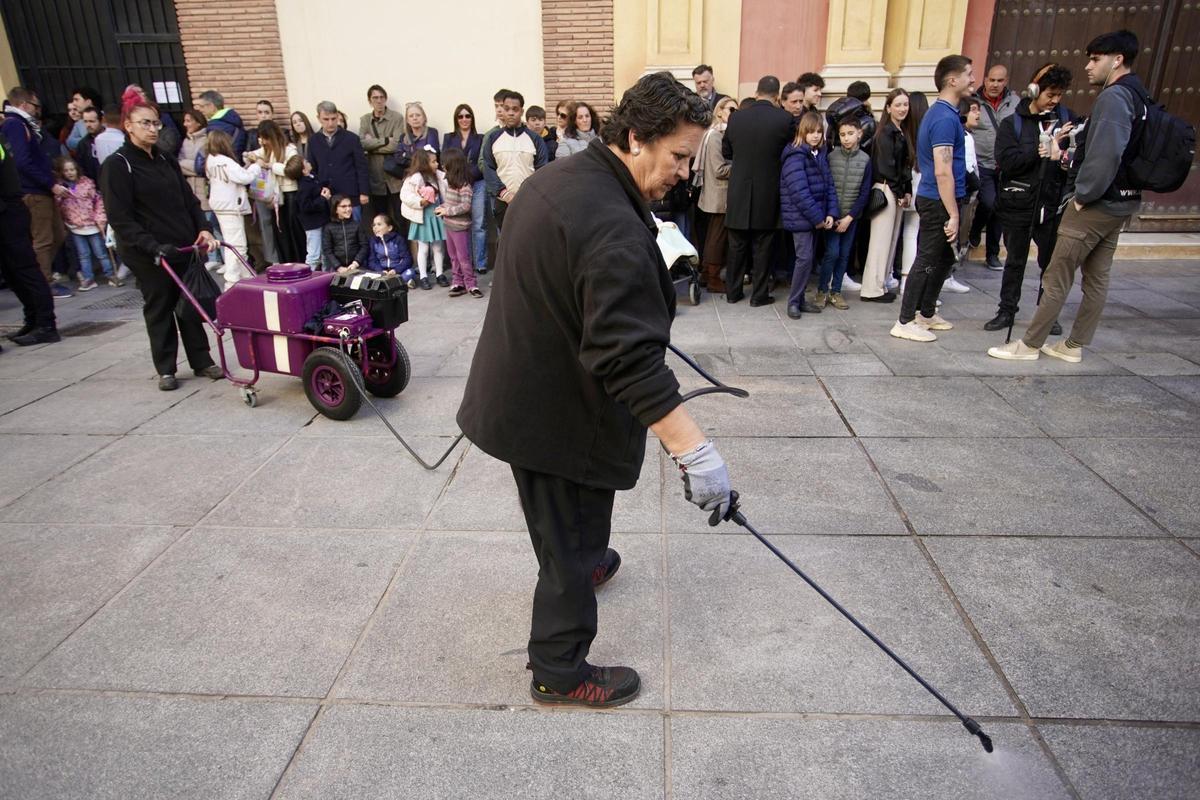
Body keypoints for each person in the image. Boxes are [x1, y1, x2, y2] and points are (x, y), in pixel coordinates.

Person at [457, 71, 728, 709]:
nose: (685, 172)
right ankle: (558, 667)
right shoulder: (609, 223)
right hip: (555, 412)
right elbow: (628, 361)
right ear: (635, 138)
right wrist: (696, 452)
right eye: (679, 157)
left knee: (568, 525)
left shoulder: (563, 177)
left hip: (527, 383)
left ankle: (587, 559)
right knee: (569, 530)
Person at [988, 31, 1145, 363]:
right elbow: (1011, 161)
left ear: (1117, 59)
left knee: (1056, 271)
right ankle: (1071, 345)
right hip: (1047, 202)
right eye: (1049, 93)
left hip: (1077, 203)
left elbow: (1105, 155)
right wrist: (1047, 151)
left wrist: (1080, 192)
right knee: (1091, 275)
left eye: (1095, 59)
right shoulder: (1137, 96)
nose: (1089, 66)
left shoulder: (1110, 99)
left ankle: (1030, 344)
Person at [99, 98, 221, 390]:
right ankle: (166, 368)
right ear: (128, 126)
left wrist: (203, 229)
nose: (153, 129)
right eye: (145, 123)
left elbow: (189, 201)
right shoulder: (118, 165)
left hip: (183, 247)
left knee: (190, 304)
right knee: (160, 307)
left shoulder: (165, 158)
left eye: (156, 123)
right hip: (149, 253)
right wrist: (151, 246)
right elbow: (121, 218)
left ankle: (202, 360)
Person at [983, 64, 1076, 333]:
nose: (1055, 101)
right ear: (1035, 90)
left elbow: (1077, 159)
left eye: (1059, 95)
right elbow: (1007, 162)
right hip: (1019, 203)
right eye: (1050, 94)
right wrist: (1041, 150)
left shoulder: (1066, 119)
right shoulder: (1013, 124)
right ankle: (1006, 311)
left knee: (1051, 263)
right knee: (1015, 261)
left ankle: (1048, 314)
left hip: (1052, 203)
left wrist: (1064, 156)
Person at [891, 55, 975, 343]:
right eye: (968, 74)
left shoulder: (945, 114)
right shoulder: (942, 118)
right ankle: (905, 320)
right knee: (927, 259)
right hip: (938, 199)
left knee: (941, 259)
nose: (972, 80)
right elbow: (942, 170)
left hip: (943, 198)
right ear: (953, 80)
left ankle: (925, 313)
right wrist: (952, 212)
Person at [722, 75, 795, 306]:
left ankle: (733, 292)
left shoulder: (737, 118)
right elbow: (790, 152)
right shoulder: (785, 119)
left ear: (756, 92)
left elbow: (726, 152)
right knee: (763, 246)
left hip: (739, 190)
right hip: (768, 191)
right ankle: (759, 294)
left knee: (736, 246)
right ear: (777, 96)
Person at [2, 87, 69, 297]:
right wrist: (49, 183)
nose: (38, 110)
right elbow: (22, 161)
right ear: (24, 104)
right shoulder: (16, 124)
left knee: (57, 235)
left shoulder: (22, 125)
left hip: (39, 189)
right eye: (35, 105)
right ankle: (44, 284)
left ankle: (43, 280)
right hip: (34, 191)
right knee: (44, 239)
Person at [0, 130, 58, 346]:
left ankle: (46, 325)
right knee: (11, 272)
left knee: (25, 269)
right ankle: (33, 319)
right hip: (8, 209)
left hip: (8, 211)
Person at [781, 112, 835, 318]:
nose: (815, 136)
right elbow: (799, 192)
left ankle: (800, 300)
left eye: (819, 132)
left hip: (815, 217)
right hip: (802, 218)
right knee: (804, 259)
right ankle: (794, 302)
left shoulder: (818, 154)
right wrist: (818, 219)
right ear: (802, 131)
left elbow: (829, 185)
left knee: (808, 259)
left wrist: (831, 212)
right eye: (811, 131)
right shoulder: (795, 156)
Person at [815, 117, 872, 310]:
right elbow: (824, 185)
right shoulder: (831, 157)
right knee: (832, 253)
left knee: (844, 255)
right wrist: (830, 213)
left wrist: (850, 217)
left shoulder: (865, 160)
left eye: (850, 134)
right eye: (842, 134)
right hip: (831, 216)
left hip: (851, 217)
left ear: (859, 134)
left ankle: (836, 291)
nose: (846, 138)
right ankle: (822, 290)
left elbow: (864, 193)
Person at [861, 89, 912, 303]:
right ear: (888, 107)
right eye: (898, 104)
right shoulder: (885, 134)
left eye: (905, 105)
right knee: (880, 242)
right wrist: (900, 190)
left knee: (888, 241)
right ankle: (872, 288)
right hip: (886, 189)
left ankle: (879, 285)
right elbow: (887, 166)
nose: (902, 109)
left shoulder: (898, 132)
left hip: (893, 190)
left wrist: (904, 190)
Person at [969, 64, 1020, 270]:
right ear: (985, 79)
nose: (995, 85)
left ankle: (992, 253)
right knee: (988, 202)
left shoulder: (1015, 103)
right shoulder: (974, 101)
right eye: (991, 80)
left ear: (1006, 81)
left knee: (999, 209)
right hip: (982, 163)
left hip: (1005, 164)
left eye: (1000, 81)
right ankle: (974, 230)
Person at [481, 89, 548, 233]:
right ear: (502, 111)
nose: (511, 113)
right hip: (503, 201)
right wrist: (504, 193)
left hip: (529, 201)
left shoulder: (535, 139)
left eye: (515, 109)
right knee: (505, 244)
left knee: (529, 241)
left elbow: (542, 170)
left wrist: (528, 193)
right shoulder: (493, 138)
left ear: (521, 111)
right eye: (507, 109)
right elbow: (488, 168)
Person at [52, 156, 120, 291]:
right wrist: (60, 197)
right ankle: (88, 278)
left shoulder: (87, 184)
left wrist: (100, 219)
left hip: (92, 223)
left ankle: (110, 274)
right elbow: (58, 206)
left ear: (77, 170)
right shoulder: (61, 189)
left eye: (72, 169)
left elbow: (98, 202)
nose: (70, 173)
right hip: (75, 225)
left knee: (100, 252)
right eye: (66, 170)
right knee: (83, 254)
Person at [694, 96, 737, 293]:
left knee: (715, 235)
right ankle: (712, 277)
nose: (734, 115)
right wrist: (741, 166)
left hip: (719, 195)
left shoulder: (723, 134)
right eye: (731, 110)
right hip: (719, 195)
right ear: (719, 111)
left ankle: (706, 275)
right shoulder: (715, 136)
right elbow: (719, 169)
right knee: (717, 238)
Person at [205, 129, 255, 284]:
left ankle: (245, 275)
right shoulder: (225, 161)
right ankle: (233, 279)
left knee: (230, 242)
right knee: (237, 245)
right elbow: (244, 177)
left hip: (220, 205)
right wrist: (255, 167)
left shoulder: (210, 160)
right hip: (231, 206)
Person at [243, 119, 297, 264]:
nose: (263, 142)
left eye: (265, 138)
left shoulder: (289, 149)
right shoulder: (266, 149)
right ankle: (282, 261)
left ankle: (295, 260)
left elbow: (291, 170)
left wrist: (268, 165)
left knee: (290, 230)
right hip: (275, 196)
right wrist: (251, 156)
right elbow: (247, 154)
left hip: (289, 193)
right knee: (278, 231)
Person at [441, 104, 486, 274]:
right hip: (455, 185)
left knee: (479, 224)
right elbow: (444, 160)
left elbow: (482, 162)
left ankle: (480, 263)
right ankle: (462, 263)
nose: (464, 119)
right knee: (459, 224)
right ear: (456, 119)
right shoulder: (449, 137)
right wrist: (459, 178)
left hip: (478, 183)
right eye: (460, 116)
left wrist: (467, 177)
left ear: (472, 118)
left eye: (468, 116)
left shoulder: (480, 138)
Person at [942, 97, 980, 295]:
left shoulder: (966, 135)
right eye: (973, 110)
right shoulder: (961, 137)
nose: (978, 114)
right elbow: (961, 167)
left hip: (966, 193)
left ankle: (948, 274)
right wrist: (974, 184)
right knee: (954, 237)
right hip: (960, 193)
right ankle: (945, 276)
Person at [177, 109, 224, 270]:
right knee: (202, 224)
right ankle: (212, 257)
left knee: (214, 224)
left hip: (206, 187)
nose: (186, 124)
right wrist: (190, 166)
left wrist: (188, 166)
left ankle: (224, 257)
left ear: (198, 121)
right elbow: (179, 163)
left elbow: (201, 167)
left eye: (189, 120)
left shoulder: (206, 140)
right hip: (192, 188)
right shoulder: (185, 141)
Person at [307, 101, 369, 219]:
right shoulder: (313, 140)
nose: (330, 123)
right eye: (326, 119)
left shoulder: (351, 138)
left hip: (350, 193)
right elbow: (312, 169)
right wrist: (318, 190)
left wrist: (364, 192)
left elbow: (361, 167)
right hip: (327, 194)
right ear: (318, 118)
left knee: (354, 230)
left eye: (333, 119)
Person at [358, 85, 405, 233]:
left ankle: (401, 251)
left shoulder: (396, 117)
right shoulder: (365, 120)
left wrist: (373, 143)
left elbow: (397, 145)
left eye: (381, 97)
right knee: (380, 219)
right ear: (369, 101)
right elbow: (362, 143)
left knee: (400, 218)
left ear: (385, 99)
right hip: (375, 177)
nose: (379, 101)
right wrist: (385, 140)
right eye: (375, 98)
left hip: (394, 177)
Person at [400, 147, 447, 289]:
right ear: (424, 163)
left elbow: (447, 188)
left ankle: (439, 273)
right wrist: (420, 201)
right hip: (422, 215)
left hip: (436, 214)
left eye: (436, 161)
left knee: (438, 246)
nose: (436, 164)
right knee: (423, 247)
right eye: (433, 162)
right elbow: (405, 195)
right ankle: (423, 275)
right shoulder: (414, 178)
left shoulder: (439, 176)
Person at [437, 148, 480, 297]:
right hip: (449, 225)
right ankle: (458, 282)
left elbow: (465, 206)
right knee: (453, 256)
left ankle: (471, 284)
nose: (443, 166)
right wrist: (442, 207)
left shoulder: (465, 186)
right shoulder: (450, 183)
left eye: (445, 163)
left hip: (459, 227)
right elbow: (451, 204)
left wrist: (447, 211)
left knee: (463, 257)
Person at [284, 155, 330, 269]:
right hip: (312, 224)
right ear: (304, 170)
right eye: (305, 162)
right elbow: (306, 206)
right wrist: (323, 199)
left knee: (326, 251)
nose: (308, 161)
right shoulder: (304, 186)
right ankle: (309, 276)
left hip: (322, 220)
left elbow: (319, 185)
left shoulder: (312, 178)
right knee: (314, 253)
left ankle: (326, 276)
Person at [322, 194, 369, 272]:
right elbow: (327, 250)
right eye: (343, 206)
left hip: (356, 266)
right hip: (336, 268)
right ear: (335, 209)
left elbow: (364, 246)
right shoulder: (328, 227)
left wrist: (356, 263)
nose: (348, 209)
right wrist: (338, 267)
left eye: (350, 206)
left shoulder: (357, 225)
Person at [195, 91, 245, 161]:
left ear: (212, 106)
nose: (200, 109)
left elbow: (214, 152)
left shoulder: (215, 126)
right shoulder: (232, 118)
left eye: (202, 106)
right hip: (235, 161)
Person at [65, 86, 103, 152]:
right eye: (86, 121)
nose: (74, 103)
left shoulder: (104, 117)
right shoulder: (79, 123)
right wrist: (89, 140)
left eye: (76, 100)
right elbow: (69, 143)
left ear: (88, 101)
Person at [75, 106, 105, 180]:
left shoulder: (111, 138)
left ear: (101, 121)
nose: (88, 125)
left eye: (92, 121)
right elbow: (81, 169)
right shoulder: (82, 145)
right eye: (85, 121)